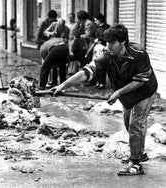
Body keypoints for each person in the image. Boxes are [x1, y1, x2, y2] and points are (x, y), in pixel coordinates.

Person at [51, 24, 158, 176]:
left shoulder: (138, 53)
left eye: (111, 42)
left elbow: (140, 81)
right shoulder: (108, 54)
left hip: (145, 90)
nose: (108, 46)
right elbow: (88, 71)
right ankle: (139, 153)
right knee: (129, 124)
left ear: (122, 41)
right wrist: (63, 85)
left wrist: (118, 93)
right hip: (126, 93)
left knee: (136, 123)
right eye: (107, 42)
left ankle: (136, 163)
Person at [43, 18, 70, 88]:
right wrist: (51, 33)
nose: (60, 28)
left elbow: (66, 39)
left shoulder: (67, 29)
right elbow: (45, 32)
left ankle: (61, 83)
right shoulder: (53, 24)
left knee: (61, 65)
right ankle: (52, 81)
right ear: (57, 24)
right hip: (50, 46)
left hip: (60, 47)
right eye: (59, 26)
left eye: (62, 26)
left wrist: (64, 41)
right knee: (50, 65)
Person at [93, 13, 110, 89]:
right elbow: (94, 36)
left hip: (103, 47)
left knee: (102, 64)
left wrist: (100, 39)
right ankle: (98, 81)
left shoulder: (107, 27)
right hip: (97, 47)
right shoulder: (96, 27)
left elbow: (107, 37)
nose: (95, 21)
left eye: (96, 20)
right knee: (96, 64)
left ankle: (102, 82)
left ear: (100, 19)